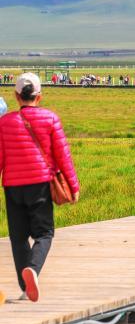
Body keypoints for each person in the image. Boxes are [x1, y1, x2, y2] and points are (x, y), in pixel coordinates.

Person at [0, 73, 80, 302]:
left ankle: (26, 289)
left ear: (16, 96)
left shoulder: (4, 122)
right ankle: (33, 269)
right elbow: (63, 156)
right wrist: (73, 185)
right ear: (39, 96)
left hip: (12, 186)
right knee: (44, 233)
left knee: (18, 237)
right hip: (40, 184)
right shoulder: (50, 118)